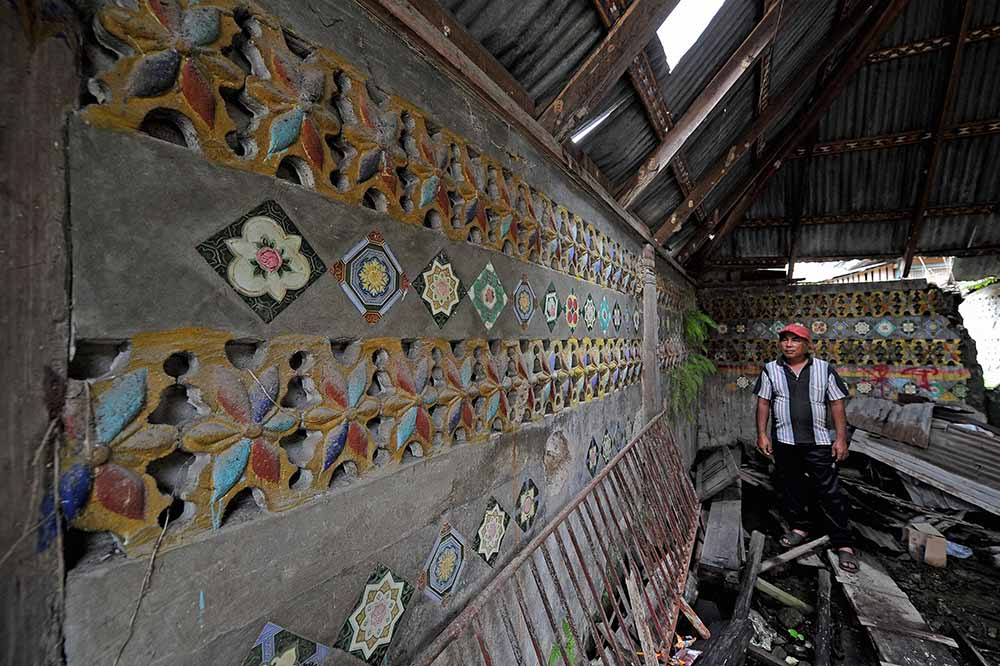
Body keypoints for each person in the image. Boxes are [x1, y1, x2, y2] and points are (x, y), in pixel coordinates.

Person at [754, 323, 858, 572]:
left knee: (829, 491)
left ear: (807, 345)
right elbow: (763, 403)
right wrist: (761, 434)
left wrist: (841, 439)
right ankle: (800, 527)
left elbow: (836, 405)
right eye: (784, 340)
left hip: (818, 441)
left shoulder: (824, 369)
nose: (788, 344)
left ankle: (844, 544)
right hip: (785, 441)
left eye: (795, 340)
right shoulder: (771, 370)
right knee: (791, 487)